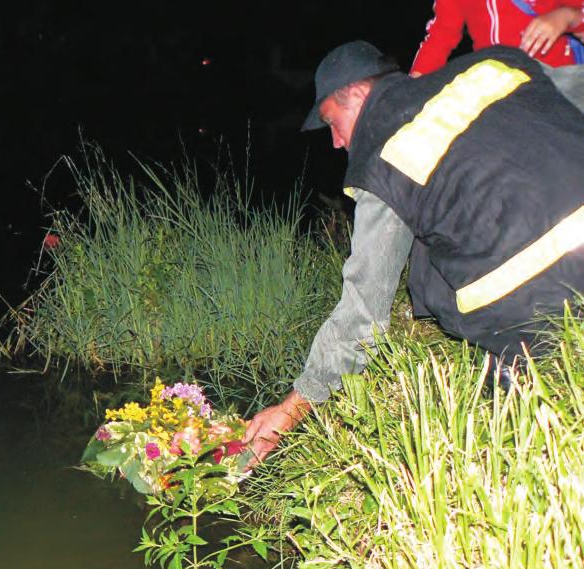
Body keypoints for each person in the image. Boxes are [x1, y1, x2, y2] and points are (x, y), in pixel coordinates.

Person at [243, 40, 584, 465]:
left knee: (427, 277)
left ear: (359, 96)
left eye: (333, 122)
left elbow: (363, 315)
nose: (334, 142)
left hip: (545, 309)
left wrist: (292, 407)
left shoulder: (384, 152)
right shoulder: (492, 66)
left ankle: (514, 373)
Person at [410, 0, 584, 76]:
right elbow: (440, 36)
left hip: (557, 76)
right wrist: (412, 88)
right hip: (495, 81)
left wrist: (567, 16)